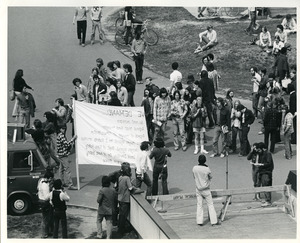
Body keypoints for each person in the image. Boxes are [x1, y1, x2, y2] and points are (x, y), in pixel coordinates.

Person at [192, 155, 219, 226]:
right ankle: (214, 221)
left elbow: (194, 176)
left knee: (199, 205)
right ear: (205, 160)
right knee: (210, 204)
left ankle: (199, 221)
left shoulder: (194, 168)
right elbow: (210, 177)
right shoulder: (207, 169)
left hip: (198, 188)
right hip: (206, 189)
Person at [117, 163, 136, 236]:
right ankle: (121, 231)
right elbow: (130, 188)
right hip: (125, 199)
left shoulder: (120, 177)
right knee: (124, 215)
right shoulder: (127, 178)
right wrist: (133, 187)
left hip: (120, 198)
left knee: (121, 214)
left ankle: (120, 227)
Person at [56, 125, 77, 190]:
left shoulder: (59, 135)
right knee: (67, 170)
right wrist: (73, 139)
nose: (64, 130)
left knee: (61, 170)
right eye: (63, 128)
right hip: (63, 155)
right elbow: (66, 144)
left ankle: (62, 182)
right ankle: (70, 185)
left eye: (64, 128)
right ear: (60, 129)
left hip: (60, 154)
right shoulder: (61, 135)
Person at [37, 170, 54, 238]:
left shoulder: (40, 181)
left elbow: (37, 188)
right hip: (45, 202)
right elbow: (46, 197)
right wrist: (52, 192)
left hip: (40, 200)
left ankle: (47, 232)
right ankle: (44, 234)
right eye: (51, 178)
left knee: (47, 218)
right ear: (49, 178)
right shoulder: (45, 186)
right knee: (46, 219)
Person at [257, 143, 274, 207]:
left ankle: (268, 200)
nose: (259, 151)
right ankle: (267, 199)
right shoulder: (264, 153)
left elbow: (269, 163)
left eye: (259, 150)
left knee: (266, 185)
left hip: (266, 172)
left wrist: (261, 165)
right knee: (265, 186)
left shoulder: (268, 154)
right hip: (263, 172)